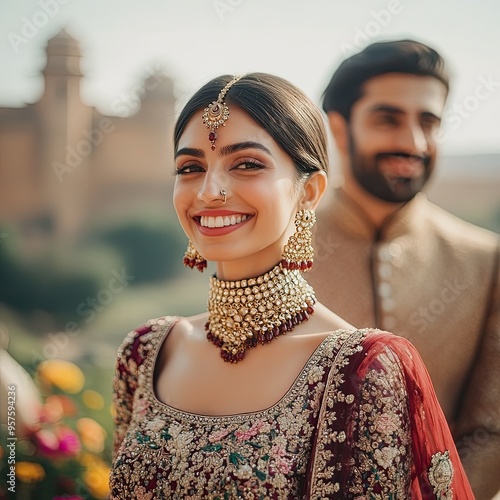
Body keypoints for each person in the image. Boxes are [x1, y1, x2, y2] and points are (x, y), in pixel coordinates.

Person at [109, 72, 473, 498]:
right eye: (190, 167)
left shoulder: (362, 369)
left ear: (310, 191)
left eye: (246, 164)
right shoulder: (146, 352)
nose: (209, 191)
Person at [308, 39, 500, 499]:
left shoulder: (487, 261)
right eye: (388, 119)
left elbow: (490, 429)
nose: (413, 142)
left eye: (428, 121)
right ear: (338, 128)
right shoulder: (276, 250)